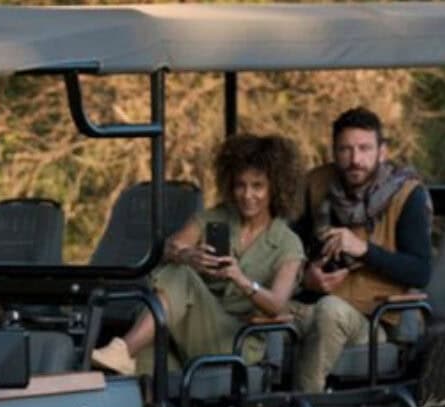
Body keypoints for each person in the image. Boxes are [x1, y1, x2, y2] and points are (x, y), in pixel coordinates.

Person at [91, 134, 306, 377]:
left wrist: (241, 279)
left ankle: (123, 349)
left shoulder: (288, 243)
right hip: (189, 333)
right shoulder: (215, 217)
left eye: (257, 186)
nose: (247, 195)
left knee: (180, 277)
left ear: (274, 188)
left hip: (237, 340)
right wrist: (188, 256)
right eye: (240, 185)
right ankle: (123, 372)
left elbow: (276, 304)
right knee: (146, 359)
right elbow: (168, 249)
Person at [290, 107, 433, 392]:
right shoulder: (316, 184)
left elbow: (420, 271)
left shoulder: (405, 194)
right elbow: (287, 245)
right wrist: (305, 277)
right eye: (345, 150)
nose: (355, 159)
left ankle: (306, 405)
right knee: (258, 307)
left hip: (378, 320)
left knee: (331, 311)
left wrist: (364, 250)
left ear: (382, 152)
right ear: (333, 152)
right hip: (315, 301)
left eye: (364, 149)